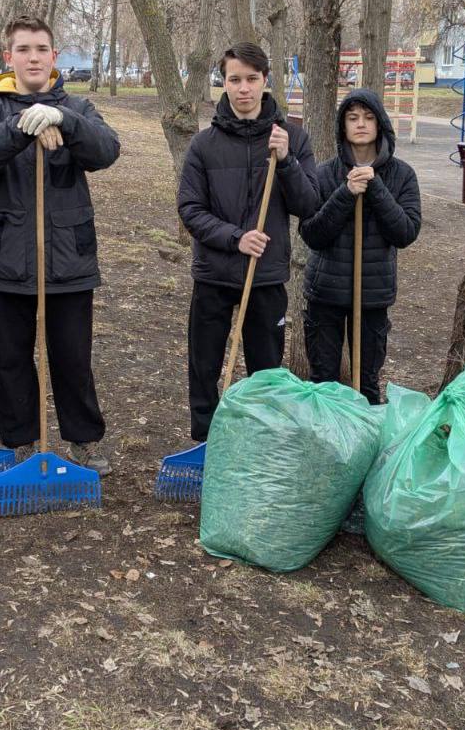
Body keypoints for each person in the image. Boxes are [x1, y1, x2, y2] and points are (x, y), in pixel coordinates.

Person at [0, 15, 120, 474]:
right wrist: (21, 126)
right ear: (8, 57)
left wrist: (62, 119)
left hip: (68, 256)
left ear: (54, 56)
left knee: (72, 356)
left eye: (42, 49)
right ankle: (22, 443)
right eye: (23, 49)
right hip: (5, 256)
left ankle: (84, 439)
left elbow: (106, 151)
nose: (33, 58)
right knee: (9, 358)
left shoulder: (78, 106)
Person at [177, 42, 319, 441]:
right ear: (223, 82)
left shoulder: (292, 138)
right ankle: (206, 441)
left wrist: (287, 161)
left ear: (265, 80)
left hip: (266, 275)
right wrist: (235, 238)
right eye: (234, 79)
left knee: (266, 369)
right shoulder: (204, 145)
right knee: (204, 364)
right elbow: (190, 209)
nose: (243, 88)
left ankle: (261, 442)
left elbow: (309, 204)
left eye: (252, 79)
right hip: (214, 273)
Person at [298, 89, 421, 405]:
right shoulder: (323, 174)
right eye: (353, 118)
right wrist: (346, 193)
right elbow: (311, 234)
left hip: (372, 294)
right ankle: (326, 435)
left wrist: (376, 188)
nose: (361, 124)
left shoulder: (402, 176)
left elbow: (405, 233)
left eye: (368, 118)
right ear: (343, 126)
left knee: (366, 383)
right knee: (323, 382)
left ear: (380, 124)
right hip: (326, 292)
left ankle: (366, 434)